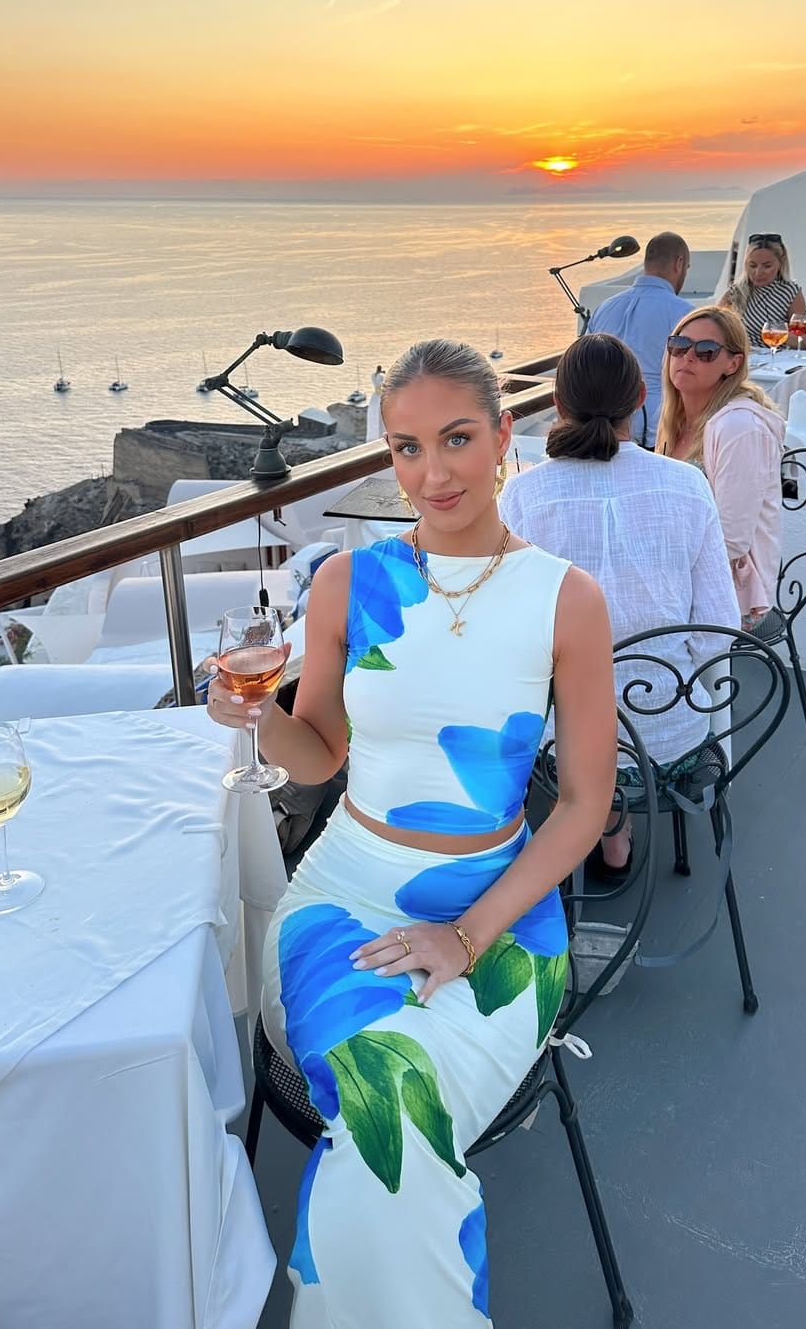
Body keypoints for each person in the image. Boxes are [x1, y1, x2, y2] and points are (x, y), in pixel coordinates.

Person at [206, 339, 616, 1328]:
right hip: (343, 894)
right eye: (406, 447)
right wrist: (255, 718)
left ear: (504, 436)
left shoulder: (567, 599)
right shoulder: (348, 582)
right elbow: (319, 755)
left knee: (391, 1133)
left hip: (502, 916)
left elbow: (583, 806)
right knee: (386, 1111)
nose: (433, 473)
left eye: (457, 439)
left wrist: (467, 936)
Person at [500, 332, 738, 871]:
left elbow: (512, 633)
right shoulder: (687, 485)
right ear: (640, 399)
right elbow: (717, 629)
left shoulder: (523, 494)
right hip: (672, 740)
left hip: (565, 748)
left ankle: (599, 822)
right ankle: (612, 827)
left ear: (558, 404)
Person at [656, 306, 786, 627]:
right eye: (679, 346)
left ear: (733, 364)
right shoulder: (676, 420)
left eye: (705, 351)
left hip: (730, 598)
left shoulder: (739, 427)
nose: (687, 357)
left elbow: (731, 540)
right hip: (679, 574)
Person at [585, 231, 691, 448]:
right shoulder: (685, 315)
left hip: (602, 430)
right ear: (679, 263)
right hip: (658, 431)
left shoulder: (605, 307)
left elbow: (584, 365)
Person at [721, 232, 806, 348]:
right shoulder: (736, 292)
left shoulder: (790, 292)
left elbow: (804, 342)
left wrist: (778, 334)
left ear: (780, 264)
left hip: (777, 356)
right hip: (744, 355)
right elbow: (714, 325)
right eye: (752, 265)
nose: (758, 272)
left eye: (767, 266)